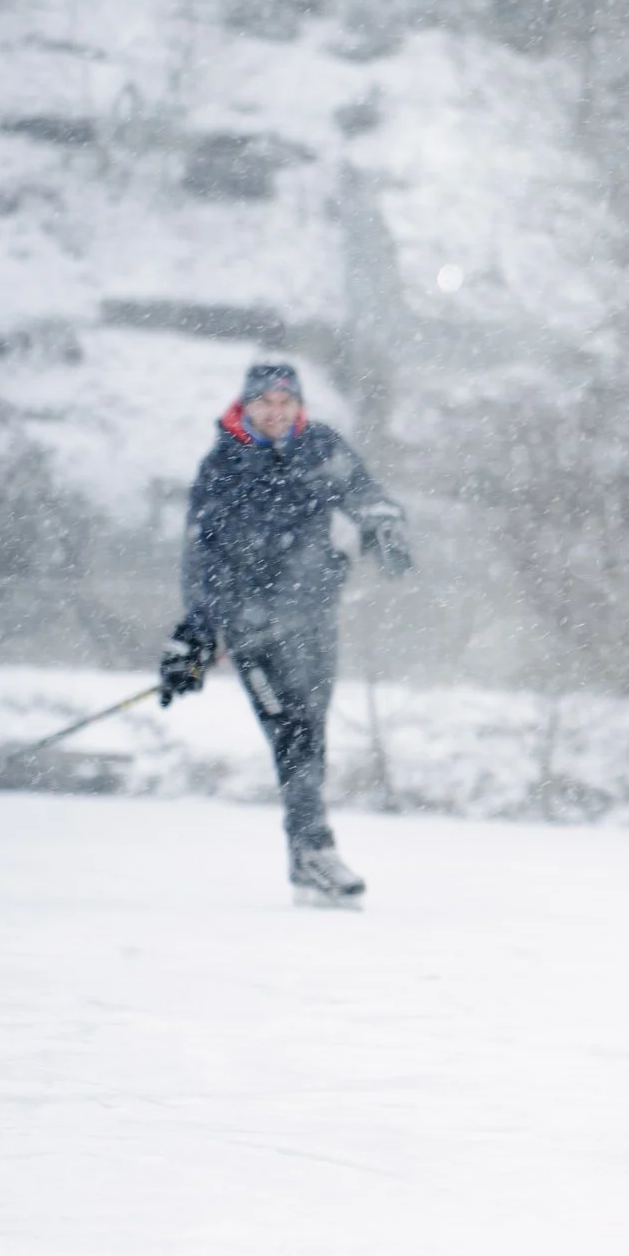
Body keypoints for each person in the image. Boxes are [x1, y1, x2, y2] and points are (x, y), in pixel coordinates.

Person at [159, 363, 411, 908]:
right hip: (250, 629)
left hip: (313, 616)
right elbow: (200, 557)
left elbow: (364, 492)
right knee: (292, 732)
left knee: (310, 733)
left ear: (299, 407)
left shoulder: (321, 447)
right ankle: (314, 850)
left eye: (285, 402)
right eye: (264, 403)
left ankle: (306, 860)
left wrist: (384, 527)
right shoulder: (222, 465)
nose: (275, 412)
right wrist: (197, 634)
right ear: (245, 407)